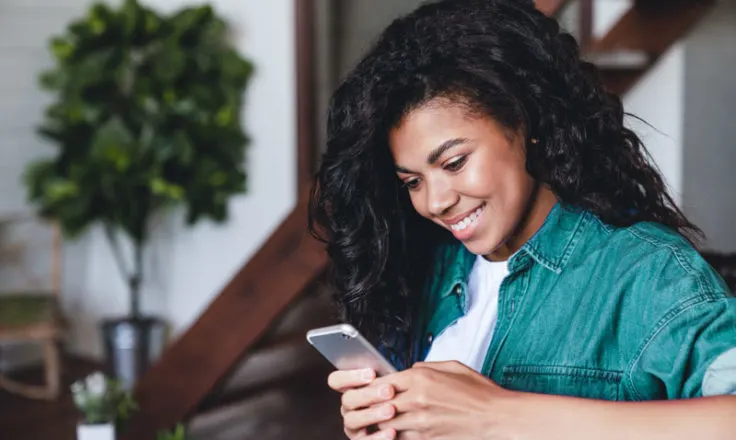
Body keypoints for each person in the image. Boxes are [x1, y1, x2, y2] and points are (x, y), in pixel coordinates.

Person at [308, 0, 736, 438]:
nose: (435, 201)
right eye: (413, 182)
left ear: (525, 123)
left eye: (454, 163)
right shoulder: (434, 270)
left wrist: (497, 414)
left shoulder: (646, 273)